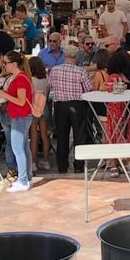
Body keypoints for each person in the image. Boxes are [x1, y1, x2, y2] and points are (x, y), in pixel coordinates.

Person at [0, 52, 35, 192]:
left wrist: (4, 95)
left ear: (14, 64)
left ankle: (23, 180)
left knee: (18, 149)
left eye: (6, 63)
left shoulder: (20, 78)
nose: (4, 65)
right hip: (20, 115)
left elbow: (21, 101)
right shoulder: (18, 77)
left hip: (20, 116)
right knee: (23, 148)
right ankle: (26, 177)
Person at [47, 45, 91, 174]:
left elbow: (49, 85)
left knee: (62, 137)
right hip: (77, 104)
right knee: (79, 136)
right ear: (76, 56)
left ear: (64, 56)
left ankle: (62, 166)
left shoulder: (54, 70)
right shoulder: (81, 71)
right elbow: (88, 88)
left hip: (60, 105)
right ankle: (78, 165)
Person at [102, 49, 130, 144]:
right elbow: (103, 87)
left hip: (124, 107)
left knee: (123, 129)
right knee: (117, 130)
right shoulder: (114, 76)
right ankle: (116, 156)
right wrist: (117, 87)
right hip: (117, 108)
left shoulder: (121, 75)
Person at [27, 56, 51, 170]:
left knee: (34, 136)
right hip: (44, 106)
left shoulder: (30, 79)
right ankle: (46, 161)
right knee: (45, 135)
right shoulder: (46, 79)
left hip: (34, 108)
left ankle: (33, 162)